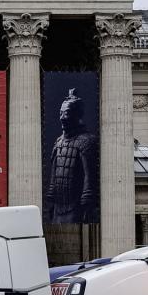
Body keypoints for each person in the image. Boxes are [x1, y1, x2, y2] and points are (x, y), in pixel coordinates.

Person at [45, 90, 98, 224]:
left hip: (76, 209)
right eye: (60, 113)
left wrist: (87, 204)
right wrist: (50, 201)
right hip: (58, 208)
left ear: (76, 115)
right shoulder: (58, 142)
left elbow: (89, 177)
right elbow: (53, 176)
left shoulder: (87, 141)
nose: (62, 117)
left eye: (66, 113)